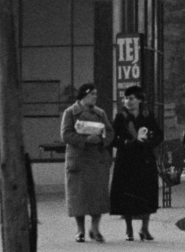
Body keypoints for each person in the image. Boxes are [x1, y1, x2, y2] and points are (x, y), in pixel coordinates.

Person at [109, 87, 162, 241]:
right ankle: (129, 229)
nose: (128, 102)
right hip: (127, 159)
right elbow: (113, 138)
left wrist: (150, 141)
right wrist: (127, 142)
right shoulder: (121, 117)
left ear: (139, 100)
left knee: (147, 193)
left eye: (131, 98)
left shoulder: (147, 115)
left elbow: (158, 133)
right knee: (127, 194)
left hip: (144, 158)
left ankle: (145, 228)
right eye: (126, 99)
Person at [61, 84, 112, 243]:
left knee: (98, 195)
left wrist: (102, 140)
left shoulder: (100, 113)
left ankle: (95, 228)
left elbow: (109, 132)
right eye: (92, 94)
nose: (95, 96)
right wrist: (84, 140)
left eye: (96, 94)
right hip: (79, 159)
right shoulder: (70, 113)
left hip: (96, 158)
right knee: (79, 195)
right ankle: (80, 230)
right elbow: (66, 134)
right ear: (83, 95)